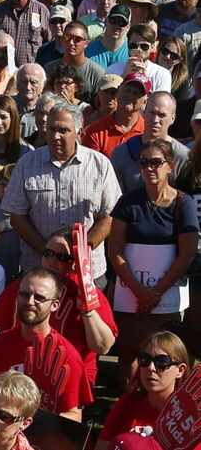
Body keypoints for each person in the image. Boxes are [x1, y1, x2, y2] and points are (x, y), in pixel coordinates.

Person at [108, 138, 199, 387]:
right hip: (130, 297)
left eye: (156, 162)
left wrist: (156, 293)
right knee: (129, 356)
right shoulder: (127, 202)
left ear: (170, 165)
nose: (149, 168)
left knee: (167, 358)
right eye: (144, 162)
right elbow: (115, 251)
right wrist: (140, 292)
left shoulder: (184, 203)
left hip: (167, 300)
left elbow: (187, 252)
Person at [2, 103, 121, 285]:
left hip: (88, 272)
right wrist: (49, 253)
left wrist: (80, 251)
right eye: (51, 129)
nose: (55, 136)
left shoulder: (100, 165)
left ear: (79, 132)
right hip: (38, 270)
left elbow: (110, 216)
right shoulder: (27, 164)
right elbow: (17, 216)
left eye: (63, 130)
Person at [0, 229, 118, 386]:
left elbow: (103, 347)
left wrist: (87, 311)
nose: (51, 260)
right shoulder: (23, 287)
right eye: (47, 253)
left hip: (67, 375)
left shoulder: (86, 292)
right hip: (20, 371)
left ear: (75, 263)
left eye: (62, 257)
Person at [0, 267, 93, 421]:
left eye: (39, 298)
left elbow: (74, 415)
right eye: (24, 294)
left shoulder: (67, 356)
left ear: (55, 305)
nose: (30, 302)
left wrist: (33, 423)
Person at [96, 331, 190, 449]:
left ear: (180, 370)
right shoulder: (129, 402)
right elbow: (102, 445)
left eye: (161, 362)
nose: (151, 368)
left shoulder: (188, 417)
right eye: (145, 359)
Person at [111, 91, 190, 194]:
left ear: (172, 118)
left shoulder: (183, 157)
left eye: (162, 115)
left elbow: (189, 200)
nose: (155, 119)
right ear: (143, 113)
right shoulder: (121, 153)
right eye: (152, 113)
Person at [82, 76, 146, 158]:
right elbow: (90, 166)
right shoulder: (94, 131)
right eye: (127, 90)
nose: (130, 95)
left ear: (145, 101)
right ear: (119, 92)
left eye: (136, 93)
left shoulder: (148, 131)